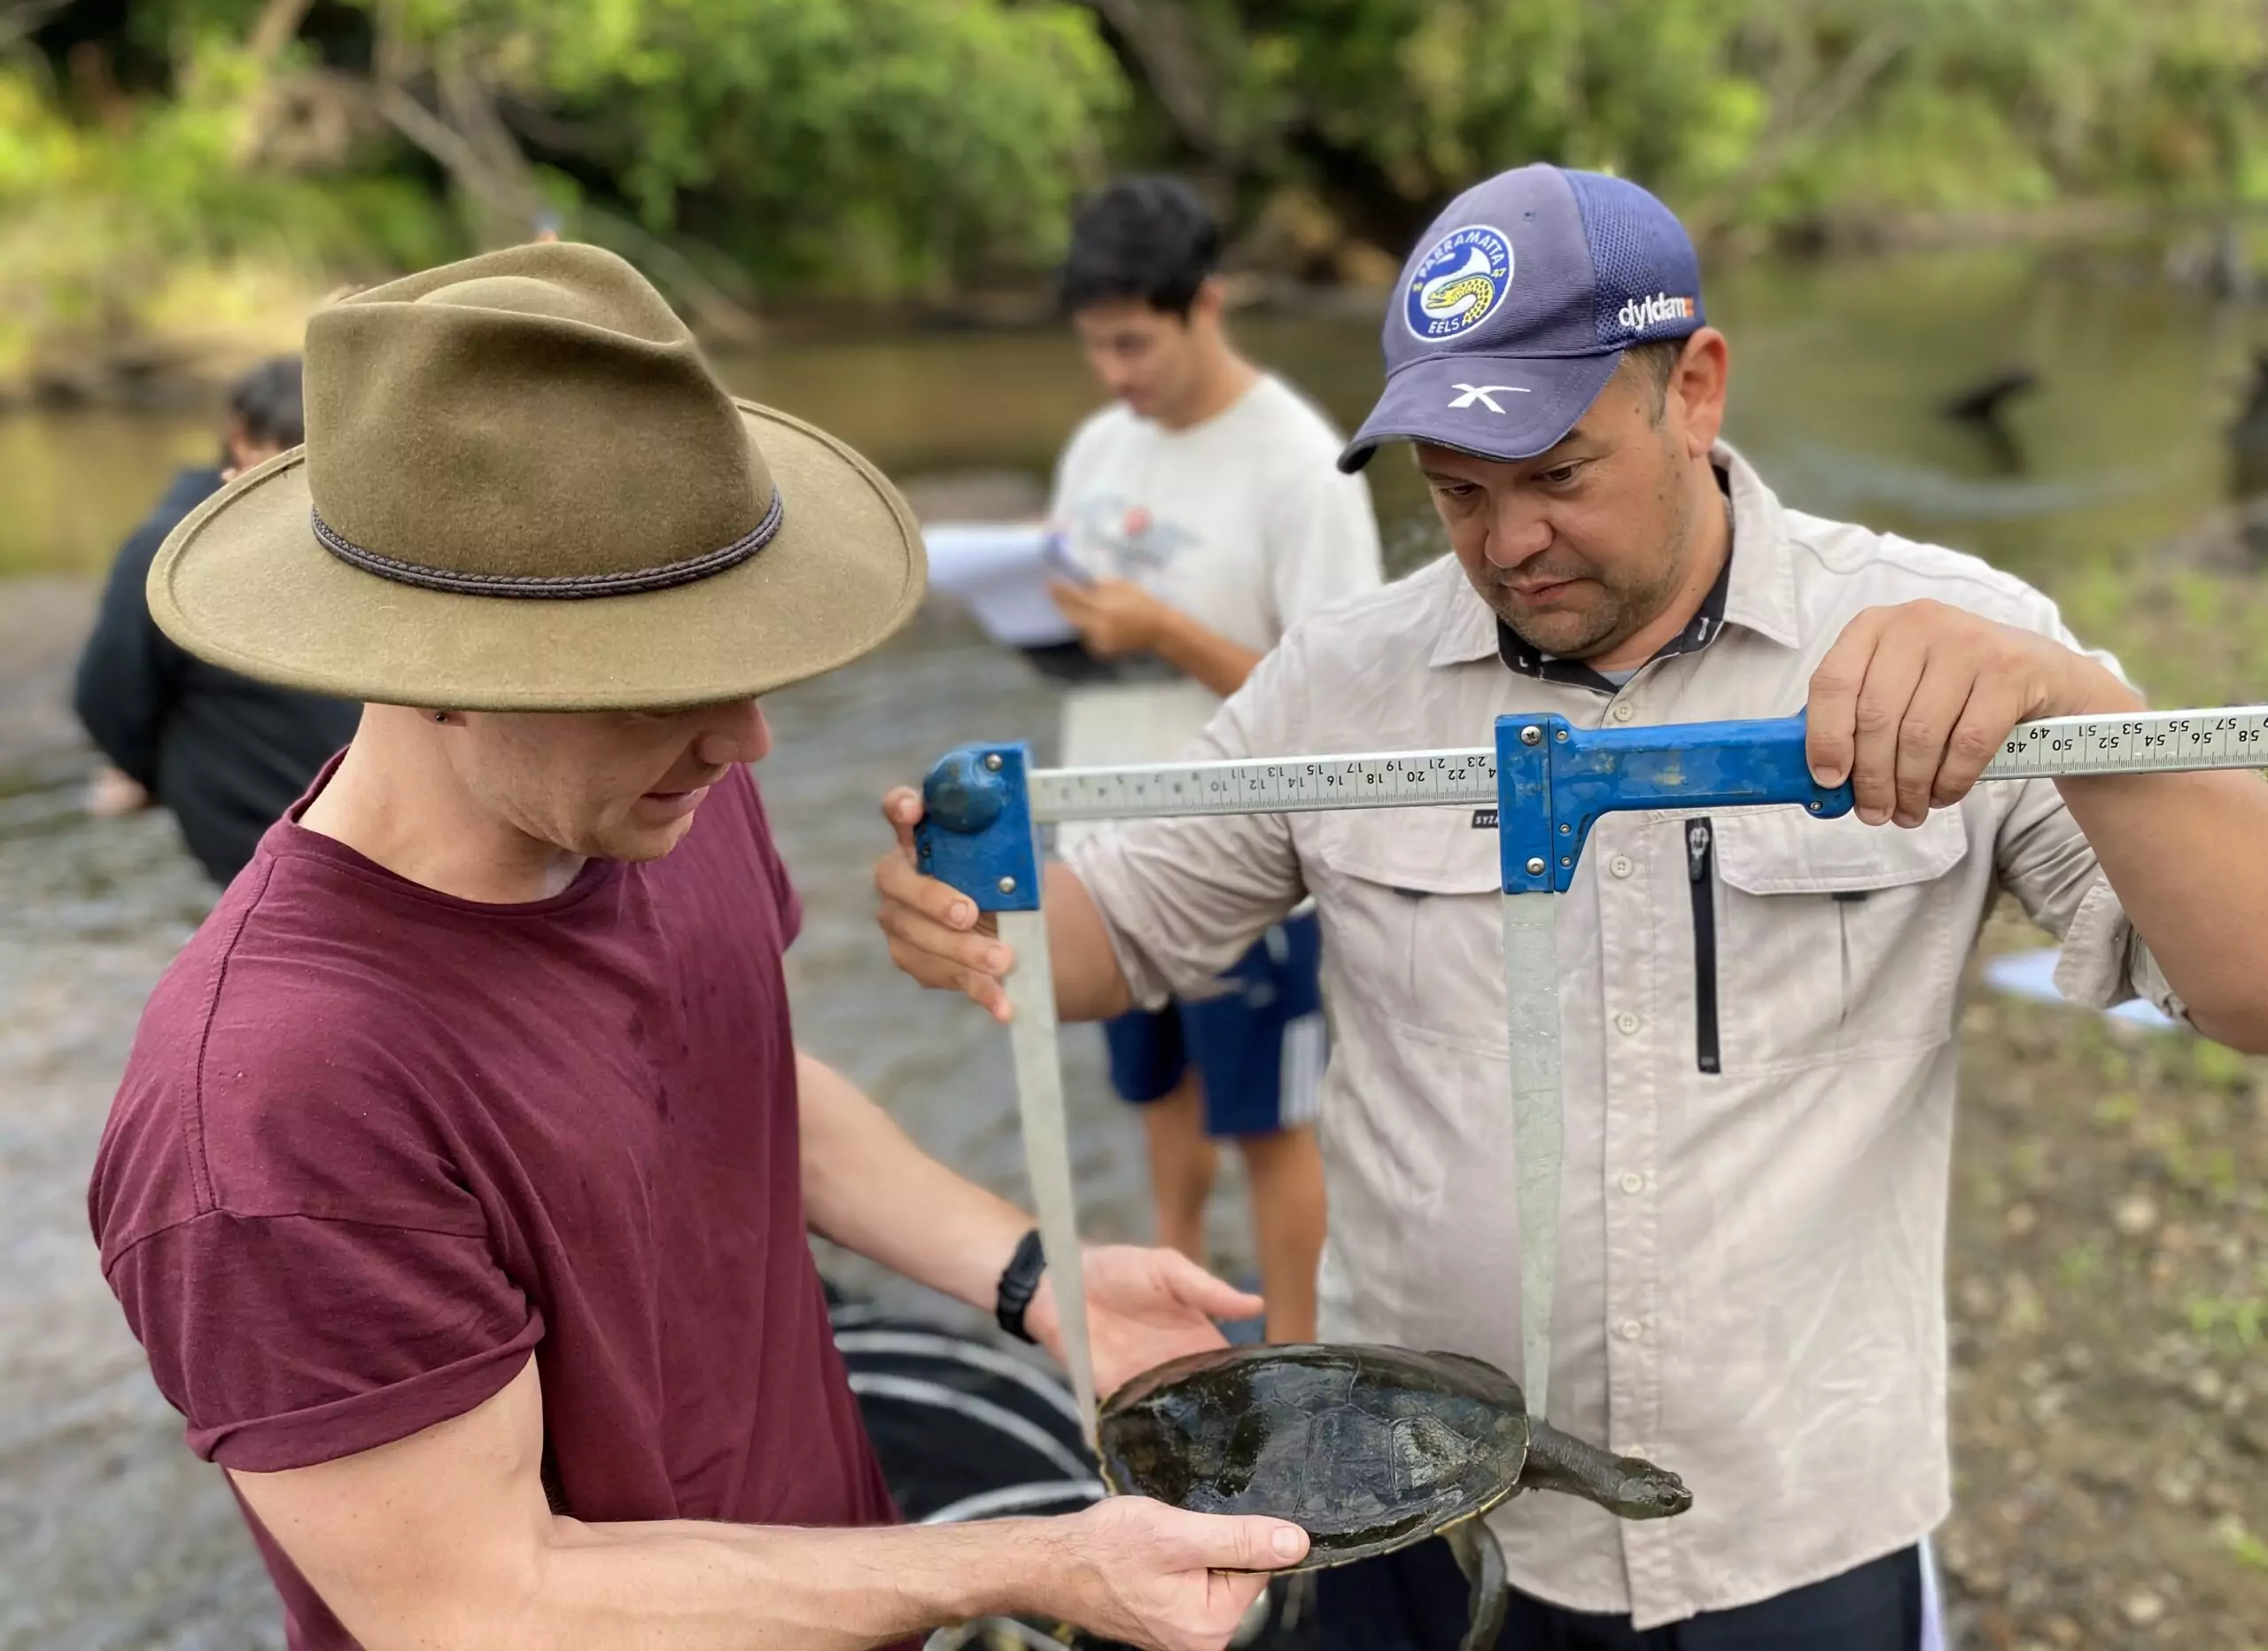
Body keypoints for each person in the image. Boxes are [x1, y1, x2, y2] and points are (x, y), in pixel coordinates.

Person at [873, 163, 2268, 1648]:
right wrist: (969, 906)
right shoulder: (1345, 684)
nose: (1508, 543)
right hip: (1411, 1509)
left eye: (1557, 475)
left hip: (1792, 1530)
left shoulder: (1945, 649)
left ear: (1697, 390)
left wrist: (2081, 706)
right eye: (1458, 493)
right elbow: (1114, 934)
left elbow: (2249, 993)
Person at [87, 243, 1308, 1651]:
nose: (747, 740)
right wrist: (1026, 1565)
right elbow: (485, 1604)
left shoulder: (658, 791)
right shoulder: (270, 1110)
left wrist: (1034, 1274)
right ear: (433, 673)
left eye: (747, 658)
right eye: (662, 681)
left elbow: (734, 1073)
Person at [1042, 176, 1385, 1343]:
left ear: (1208, 307)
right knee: (1160, 1097)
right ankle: (1175, 1316)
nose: (1115, 373)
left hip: (1253, 862)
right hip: (1107, 848)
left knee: (1268, 1126)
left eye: (1134, 342)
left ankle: (1298, 1353)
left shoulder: (1300, 465)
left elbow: (1348, 707)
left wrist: (1169, 634)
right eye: (1095, 345)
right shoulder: (1099, 446)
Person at [74, 354, 363, 883]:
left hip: (344, 833)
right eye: (288, 460)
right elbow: (106, 696)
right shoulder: (168, 555)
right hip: (273, 842)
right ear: (241, 440)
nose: (305, 484)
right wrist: (152, 773)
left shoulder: (341, 534)